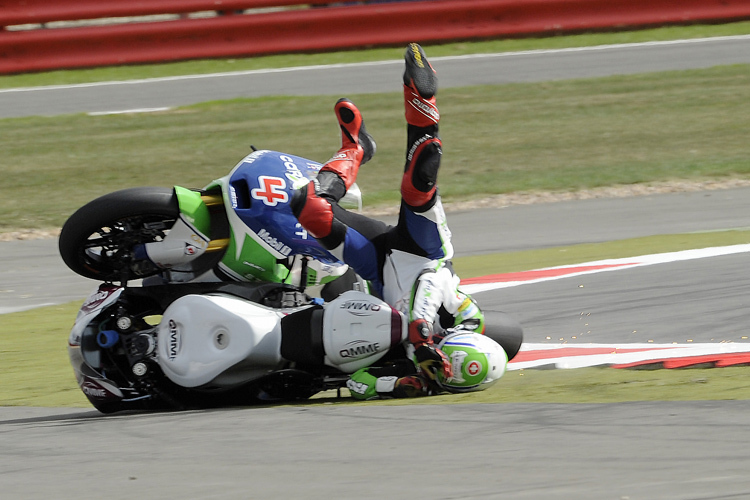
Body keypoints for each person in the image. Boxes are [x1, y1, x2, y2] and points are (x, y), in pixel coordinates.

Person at [290, 43, 486, 398]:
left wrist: (399, 384)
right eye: (444, 359)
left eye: (442, 372)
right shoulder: (468, 319)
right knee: (419, 181)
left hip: (377, 269)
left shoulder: (418, 372)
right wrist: (423, 332)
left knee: (308, 208)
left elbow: (355, 382)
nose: (438, 363)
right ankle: (422, 97)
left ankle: (355, 148)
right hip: (423, 253)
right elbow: (430, 282)